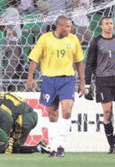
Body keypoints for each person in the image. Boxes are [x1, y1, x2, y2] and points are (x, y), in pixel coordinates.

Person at [26, 15, 85, 157]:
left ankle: (61, 146)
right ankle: (52, 148)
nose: (70, 29)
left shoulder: (73, 39)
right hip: (49, 80)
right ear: (59, 26)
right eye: (67, 26)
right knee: (52, 114)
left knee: (66, 111)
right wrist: (30, 77)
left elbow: (79, 62)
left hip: (67, 80)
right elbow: (34, 59)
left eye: (70, 26)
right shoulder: (45, 39)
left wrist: (82, 81)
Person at [85, 16, 115, 154]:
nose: (109, 26)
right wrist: (87, 84)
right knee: (107, 113)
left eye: (111, 23)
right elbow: (89, 63)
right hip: (103, 80)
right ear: (101, 26)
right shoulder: (96, 42)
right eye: (106, 24)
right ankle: (112, 146)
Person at [0, 85, 41, 153]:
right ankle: (38, 148)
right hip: (28, 117)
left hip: (25, 118)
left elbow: (8, 118)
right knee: (14, 145)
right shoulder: (0, 97)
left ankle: (37, 148)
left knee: (14, 146)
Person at [0, 0, 22, 89]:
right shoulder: (13, 10)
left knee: (15, 65)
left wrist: (8, 28)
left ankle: (9, 86)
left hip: (12, 41)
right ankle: (2, 86)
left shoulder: (9, 10)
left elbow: (0, 18)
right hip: (13, 41)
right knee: (12, 66)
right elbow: (3, 20)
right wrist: (11, 29)